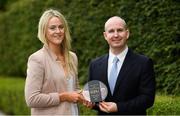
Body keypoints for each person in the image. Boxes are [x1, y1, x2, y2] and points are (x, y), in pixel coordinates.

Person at [88, 16, 156, 115]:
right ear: (105, 35)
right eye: (111, 31)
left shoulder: (144, 63)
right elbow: (95, 99)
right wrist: (91, 103)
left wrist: (118, 107)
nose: (116, 35)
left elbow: (148, 98)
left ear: (127, 33)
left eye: (120, 30)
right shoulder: (95, 65)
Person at [25, 9, 84, 115]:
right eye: (52, 28)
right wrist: (63, 96)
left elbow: (74, 88)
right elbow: (31, 99)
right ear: (44, 31)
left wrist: (83, 97)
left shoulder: (72, 57)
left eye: (61, 27)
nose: (58, 31)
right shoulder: (37, 59)